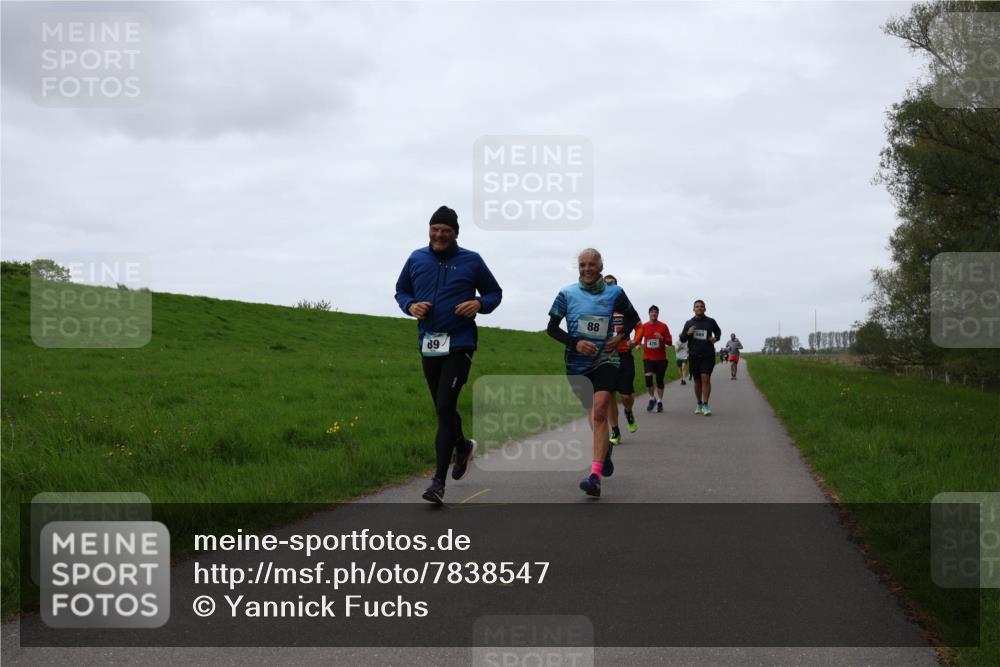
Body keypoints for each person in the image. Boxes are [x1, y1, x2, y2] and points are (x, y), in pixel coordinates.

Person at [395, 205, 503, 504]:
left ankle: (438, 482)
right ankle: (463, 445)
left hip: (460, 343)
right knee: (442, 409)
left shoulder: (471, 260)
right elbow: (401, 290)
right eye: (435, 229)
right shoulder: (416, 258)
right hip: (429, 343)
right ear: (429, 230)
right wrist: (410, 306)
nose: (439, 235)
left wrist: (479, 304)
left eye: (445, 231)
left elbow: (495, 293)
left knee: (445, 405)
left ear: (455, 233)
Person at [547, 249, 640, 498]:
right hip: (576, 364)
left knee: (600, 410)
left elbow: (633, 318)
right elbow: (552, 328)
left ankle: (595, 476)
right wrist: (575, 342)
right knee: (593, 413)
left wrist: (619, 337)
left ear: (600, 266)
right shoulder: (566, 294)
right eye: (582, 265)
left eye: (591, 264)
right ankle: (605, 451)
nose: (586, 269)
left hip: (606, 359)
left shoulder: (615, 293)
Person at [603, 274, 642, 445]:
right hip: (606, 357)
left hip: (625, 354)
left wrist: (635, 341)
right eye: (606, 284)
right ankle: (615, 431)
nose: (609, 287)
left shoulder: (625, 308)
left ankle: (628, 411)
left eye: (612, 284)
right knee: (610, 396)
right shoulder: (599, 308)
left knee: (626, 396)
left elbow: (639, 326)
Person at [679, 299, 722, 416]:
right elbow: (682, 338)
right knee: (697, 381)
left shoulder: (710, 321)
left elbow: (718, 332)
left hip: (708, 355)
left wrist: (715, 338)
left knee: (706, 378)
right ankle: (699, 403)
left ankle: (706, 404)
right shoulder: (688, 323)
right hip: (694, 356)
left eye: (701, 306)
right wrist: (688, 333)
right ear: (693, 309)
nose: (699, 308)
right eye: (697, 306)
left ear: (705, 309)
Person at [639, 305, 672, 413]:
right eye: (652, 312)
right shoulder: (644, 326)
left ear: (658, 314)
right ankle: (652, 398)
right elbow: (638, 337)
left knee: (659, 381)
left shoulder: (663, 326)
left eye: (656, 312)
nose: (654, 314)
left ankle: (659, 401)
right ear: (649, 313)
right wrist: (639, 344)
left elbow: (670, 342)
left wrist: (662, 338)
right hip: (648, 357)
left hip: (660, 358)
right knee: (648, 378)